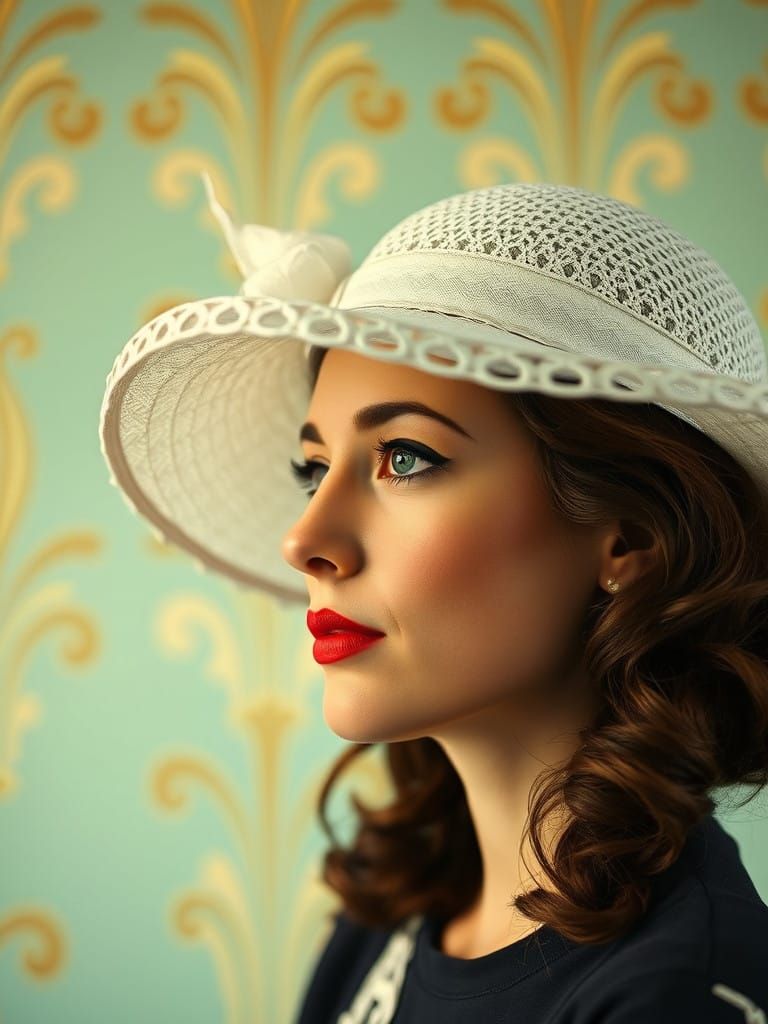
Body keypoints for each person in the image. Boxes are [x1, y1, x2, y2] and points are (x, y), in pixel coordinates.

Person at [99, 177, 768, 1022]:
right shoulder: (393, 912)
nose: (305, 538)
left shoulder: (678, 996)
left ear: (629, 538)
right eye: (314, 467)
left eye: (405, 458)